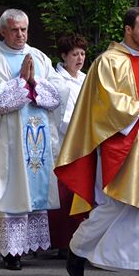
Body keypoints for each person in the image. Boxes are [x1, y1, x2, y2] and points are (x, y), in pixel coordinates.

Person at [54, 7, 139, 276]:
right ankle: (77, 250)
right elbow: (104, 103)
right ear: (128, 29)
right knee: (115, 204)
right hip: (122, 143)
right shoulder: (107, 63)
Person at [0, 9, 61, 271]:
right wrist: (22, 82)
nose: (20, 34)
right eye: (14, 29)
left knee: (33, 188)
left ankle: (30, 245)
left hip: (37, 140)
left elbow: (56, 94)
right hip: (8, 143)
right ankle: (10, 252)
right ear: (2, 31)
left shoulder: (40, 57)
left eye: (24, 29)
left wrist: (35, 81)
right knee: (10, 191)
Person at [48, 33, 88, 253]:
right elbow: (59, 115)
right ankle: (62, 242)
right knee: (63, 193)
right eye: (75, 54)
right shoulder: (56, 81)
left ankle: (79, 239)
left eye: (82, 53)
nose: (80, 58)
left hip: (84, 142)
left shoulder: (85, 78)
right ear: (64, 56)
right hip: (64, 142)